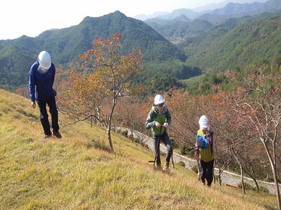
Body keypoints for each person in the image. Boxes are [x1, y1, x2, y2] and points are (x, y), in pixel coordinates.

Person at [29, 51, 62, 138]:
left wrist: (51, 89)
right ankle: (47, 133)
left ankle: (56, 131)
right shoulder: (34, 68)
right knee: (43, 115)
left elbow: (52, 79)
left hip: (50, 94)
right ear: (38, 60)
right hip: (40, 96)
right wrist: (32, 99)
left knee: (54, 112)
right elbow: (31, 84)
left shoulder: (52, 66)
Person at [145, 94, 173, 171]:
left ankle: (166, 165)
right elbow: (146, 125)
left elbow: (169, 118)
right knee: (157, 154)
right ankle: (159, 169)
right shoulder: (152, 113)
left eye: (163, 104)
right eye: (160, 105)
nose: (162, 106)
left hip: (163, 132)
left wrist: (167, 123)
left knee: (170, 148)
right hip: (156, 134)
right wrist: (154, 123)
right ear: (156, 105)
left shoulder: (165, 110)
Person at [195, 115, 214, 187]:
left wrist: (207, 135)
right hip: (202, 156)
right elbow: (197, 142)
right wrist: (196, 149)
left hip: (210, 157)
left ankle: (209, 184)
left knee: (209, 173)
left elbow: (210, 141)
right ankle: (203, 182)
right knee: (202, 172)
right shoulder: (199, 132)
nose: (205, 128)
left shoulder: (210, 133)